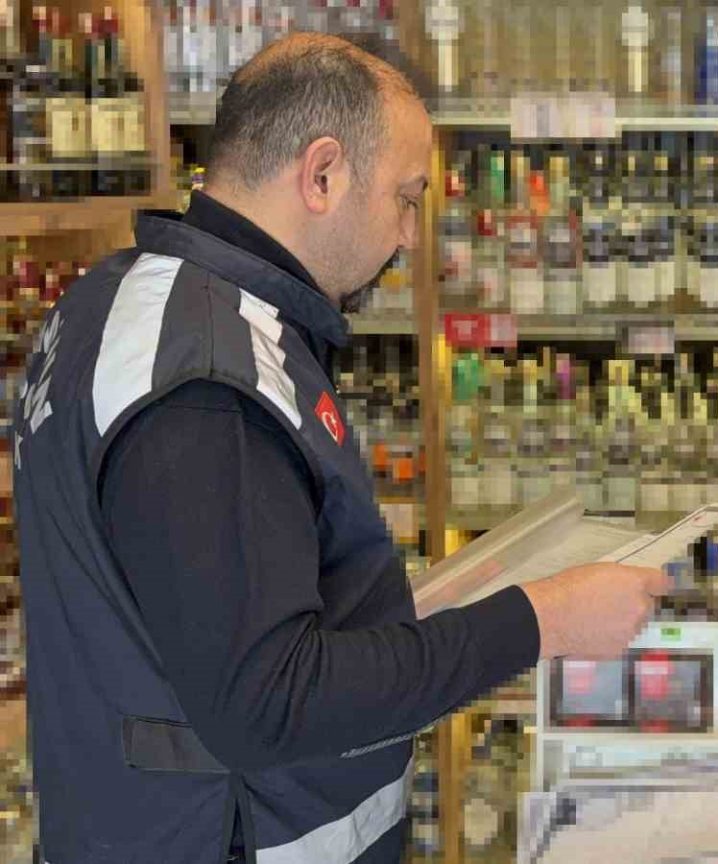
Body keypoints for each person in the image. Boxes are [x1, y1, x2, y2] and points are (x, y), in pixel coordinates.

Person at [10, 34, 666, 864]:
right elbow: (268, 701)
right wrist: (542, 622)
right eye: (405, 198)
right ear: (321, 175)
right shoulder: (208, 383)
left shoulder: (123, 294)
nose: (410, 236)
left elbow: (213, 612)